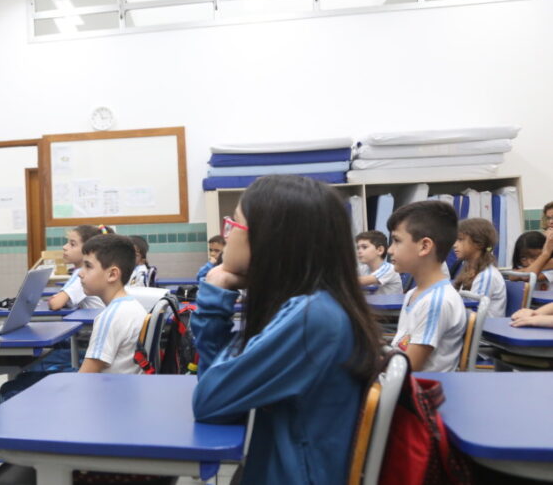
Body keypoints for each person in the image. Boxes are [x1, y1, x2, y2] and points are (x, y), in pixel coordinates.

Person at [191, 175, 382, 484]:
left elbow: (210, 402)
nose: (227, 236)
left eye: (233, 225)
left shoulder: (311, 318)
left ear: (268, 240)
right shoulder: (314, 305)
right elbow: (222, 395)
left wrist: (215, 291)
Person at [386, 201, 467, 372]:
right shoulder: (414, 293)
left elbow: (408, 367)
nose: (390, 250)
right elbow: (401, 348)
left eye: (396, 241)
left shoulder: (436, 301)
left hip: (418, 393)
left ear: (424, 246)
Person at [77, 234, 147, 374]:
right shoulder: (134, 306)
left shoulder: (110, 318)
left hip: (109, 393)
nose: (80, 273)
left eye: (88, 266)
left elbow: (84, 376)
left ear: (112, 275)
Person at [47, 225, 114, 310]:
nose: (64, 247)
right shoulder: (94, 271)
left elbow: (56, 304)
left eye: (72, 244)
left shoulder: (82, 274)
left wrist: (52, 300)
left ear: (89, 250)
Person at [453, 218, 507, 318]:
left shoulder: (486, 276)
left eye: (460, 240)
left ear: (478, 244)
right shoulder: (468, 269)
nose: (454, 245)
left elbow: (474, 312)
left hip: (483, 330)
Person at [355, 230, 402, 295]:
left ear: (380, 250)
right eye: (358, 248)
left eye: (364, 247)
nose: (359, 251)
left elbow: (358, 281)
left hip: (388, 304)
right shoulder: (363, 268)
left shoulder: (390, 269)